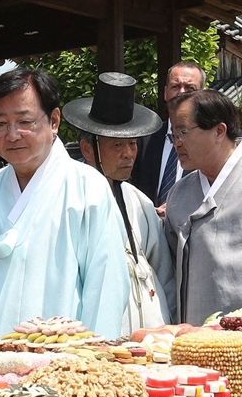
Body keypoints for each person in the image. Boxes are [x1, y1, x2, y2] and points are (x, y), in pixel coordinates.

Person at [0, 68, 129, 375]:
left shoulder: (88, 189)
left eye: (24, 122)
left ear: (54, 121)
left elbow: (105, 288)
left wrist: (90, 371)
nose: (12, 135)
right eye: (1, 124)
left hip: (63, 367)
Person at [63, 72, 176, 335]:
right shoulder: (71, 199)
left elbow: (164, 274)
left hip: (150, 334)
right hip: (97, 333)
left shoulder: (139, 201)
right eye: (117, 145)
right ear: (88, 149)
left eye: (133, 144)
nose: (128, 154)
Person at [164, 89, 242, 325]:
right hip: (192, 339)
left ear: (219, 131)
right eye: (173, 135)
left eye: (183, 132)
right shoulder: (178, 194)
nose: (177, 143)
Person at [132, 60, 205, 214]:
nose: (182, 93)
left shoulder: (211, 140)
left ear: (202, 95)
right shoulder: (144, 139)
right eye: (175, 86)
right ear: (165, 93)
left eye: (190, 88)